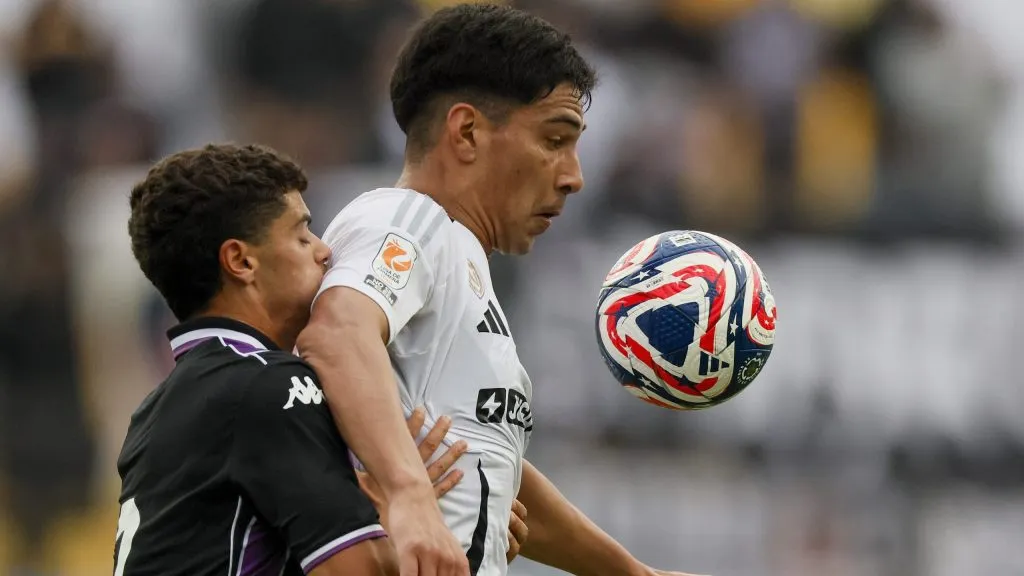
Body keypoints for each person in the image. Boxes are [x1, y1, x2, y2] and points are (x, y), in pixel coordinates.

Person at [298, 4, 707, 576]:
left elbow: (484, 456)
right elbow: (337, 334)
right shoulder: (408, 220)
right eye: (554, 139)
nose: (574, 175)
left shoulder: (459, 266)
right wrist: (411, 494)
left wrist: (629, 572)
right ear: (466, 132)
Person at [117, 144, 526, 575]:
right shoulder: (269, 387)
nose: (324, 251)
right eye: (302, 235)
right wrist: (414, 517)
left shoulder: (155, 412)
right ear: (241, 261)